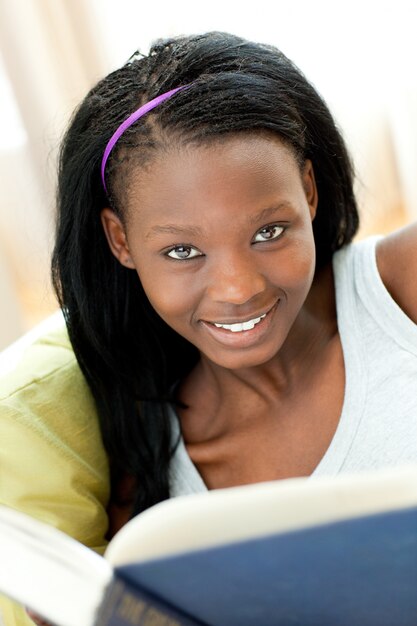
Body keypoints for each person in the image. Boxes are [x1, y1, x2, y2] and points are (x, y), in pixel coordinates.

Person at [1, 31, 417, 625]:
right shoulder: (153, 479)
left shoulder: (401, 288)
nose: (239, 287)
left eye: (268, 232)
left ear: (308, 190)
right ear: (121, 240)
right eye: (182, 252)